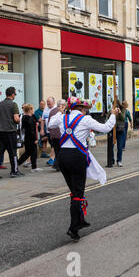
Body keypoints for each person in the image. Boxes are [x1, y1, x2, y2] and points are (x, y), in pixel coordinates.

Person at [48, 97, 119, 241]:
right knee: (78, 192)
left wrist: (59, 111)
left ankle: (80, 220)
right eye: (85, 108)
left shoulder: (62, 117)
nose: (86, 110)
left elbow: (50, 125)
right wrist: (113, 115)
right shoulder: (85, 119)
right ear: (81, 108)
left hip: (62, 157)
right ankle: (73, 228)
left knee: (75, 191)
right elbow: (105, 128)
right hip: (77, 157)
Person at [0, 87, 23, 178]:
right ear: (13, 94)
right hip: (10, 132)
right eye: (15, 94)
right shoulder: (13, 105)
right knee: (13, 152)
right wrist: (19, 120)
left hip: (1, 132)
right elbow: (16, 119)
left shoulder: (0, 104)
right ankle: (14, 171)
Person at [17, 104, 42, 172]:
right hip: (30, 138)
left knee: (28, 152)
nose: (33, 110)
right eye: (32, 109)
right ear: (30, 110)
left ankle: (17, 163)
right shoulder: (29, 118)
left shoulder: (25, 117)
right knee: (33, 152)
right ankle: (33, 167)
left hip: (27, 138)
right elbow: (31, 130)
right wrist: (35, 139)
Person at [48, 99, 66, 171]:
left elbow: (49, 123)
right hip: (61, 135)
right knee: (61, 151)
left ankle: (57, 165)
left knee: (57, 151)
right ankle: (58, 165)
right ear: (62, 105)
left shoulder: (52, 111)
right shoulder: (63, 112)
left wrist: (50, 133)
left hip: (54, 135)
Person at [43, 97, 57, 166]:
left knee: (53, 144)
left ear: (53, 102)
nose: (48, 103)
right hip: (48, 131)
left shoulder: (56, 109)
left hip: (54, 131)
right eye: (47, 102)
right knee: (51, 144)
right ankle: (53, 159)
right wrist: (42, 129)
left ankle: (52, 158)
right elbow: (43, 120)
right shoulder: (45, 109)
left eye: (49, 102)